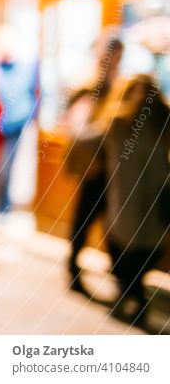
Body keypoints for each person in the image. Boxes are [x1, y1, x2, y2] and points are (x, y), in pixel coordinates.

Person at [95, 75, 170, 328]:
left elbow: (89, 138)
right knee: (141, 256)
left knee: (123, 254)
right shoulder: (162, 124)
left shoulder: (118, 123)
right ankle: (134, 297)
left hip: (123, 210)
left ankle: (131, 296)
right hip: (153, 214)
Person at [62, 32, 123, 296]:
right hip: (92, 165)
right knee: (85, 218)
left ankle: (121, 274)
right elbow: (76, 127)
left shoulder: (120, 85)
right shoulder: (88, 85)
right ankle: (74, 266)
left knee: (114, 219)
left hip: (114, 166)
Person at [0, 27, 39, 213]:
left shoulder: (25, 67)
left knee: (7, 167)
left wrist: (28, 117)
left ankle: (4, 208)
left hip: (15, 124)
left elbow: (33, 94)